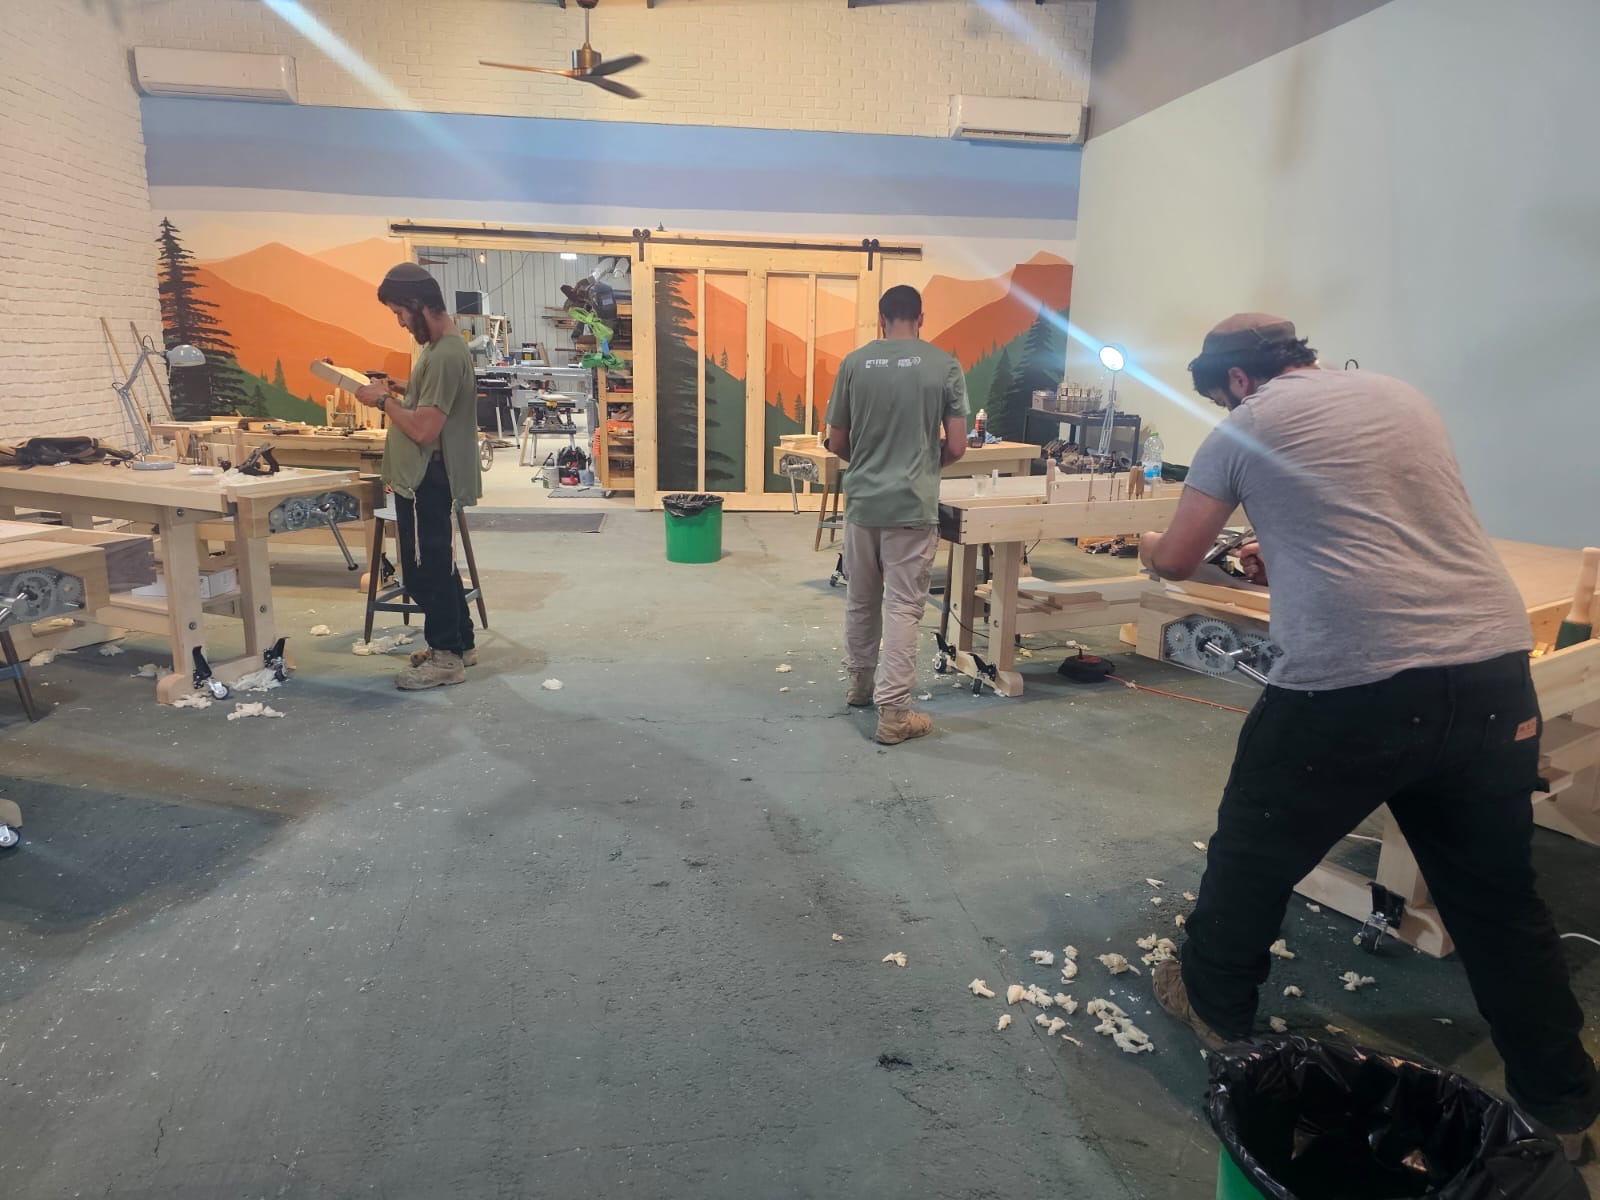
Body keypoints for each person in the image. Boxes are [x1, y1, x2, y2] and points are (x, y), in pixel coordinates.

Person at [1139, 313, 1599, 1157]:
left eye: (1216, 398)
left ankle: (1211, 1003)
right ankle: (1562, 1104)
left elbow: (1175, 560)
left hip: (1354, 683)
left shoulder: (1244, 427)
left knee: (1252, 853)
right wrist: (1289, 547)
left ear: (1236, 382)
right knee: (1499, 902)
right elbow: (1379, 518)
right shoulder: (1400, 396)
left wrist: (1147, 548)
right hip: (1492, 672)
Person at [824, 285, 968, 745]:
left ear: (879, 319)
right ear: (920, 318)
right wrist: (925, 467)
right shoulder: (943, 365)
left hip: (864, 503)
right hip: (911, 504)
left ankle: (859, 687)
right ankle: (894, 715)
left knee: (861, 601)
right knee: (904, 607)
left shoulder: (853, 363)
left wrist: (869, 464)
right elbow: (959, 446)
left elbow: (838, 441)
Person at [354, 264, 483, 690]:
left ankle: (446, 659)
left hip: (430, 476)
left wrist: (383, 401)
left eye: (400, 313)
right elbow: (430, 397)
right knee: (438, 565)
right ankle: (460, 644)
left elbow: (426, 429)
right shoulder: (439, 347)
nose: (399, 322)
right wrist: (398, 387)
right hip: (425, 475)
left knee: (424, 573)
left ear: (416, 304)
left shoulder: (445, 352)